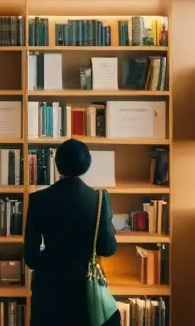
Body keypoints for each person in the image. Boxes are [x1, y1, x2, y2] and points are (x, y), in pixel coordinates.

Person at [24, 138, 119, 326]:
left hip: (49, 290)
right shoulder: (100, 199)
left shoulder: (38, 199)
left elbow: (31, 257)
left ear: (57, 164)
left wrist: (52, 260)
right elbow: (108, 248)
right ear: (87, 164)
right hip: (84, 287)